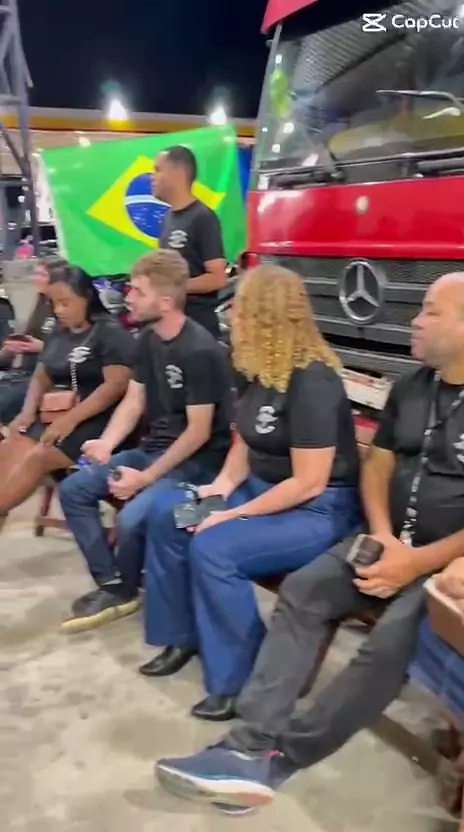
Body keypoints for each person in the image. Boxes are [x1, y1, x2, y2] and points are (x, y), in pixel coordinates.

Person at [155, 271, 464, 813]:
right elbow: (379, 464)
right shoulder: (413, 387)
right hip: (387, 539)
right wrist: (382, 535)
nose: (414, 321)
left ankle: (281, 761)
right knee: (303, 590)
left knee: (388, 643)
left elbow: (315, 480)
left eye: (430, 312)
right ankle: (247, 745)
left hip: (447, 565)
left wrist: (416, 563)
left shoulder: (312, 378)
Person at [139, 264, 361, 722]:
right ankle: (182, 636)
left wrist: (232, 516)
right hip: (262, 490)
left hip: (316, 510)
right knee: (169, 517)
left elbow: (309, 482)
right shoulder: (257, 369)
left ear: (266, 316)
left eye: (239, 310)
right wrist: (219, 489)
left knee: (215, 547)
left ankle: (241, 678)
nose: (231, 318)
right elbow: (245, 441)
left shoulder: (314, 380)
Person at [59, 249, 232, 633]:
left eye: (138, 291)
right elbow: (134, 400)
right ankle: (115, 584)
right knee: (74, 489)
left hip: (198, 464)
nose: (128, 298)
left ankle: (126, 588)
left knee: (134, 517)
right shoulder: (148, 339)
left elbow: (199, 432)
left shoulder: (200, 350)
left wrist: (147, 478)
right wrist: (107, 443)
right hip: (154, 451)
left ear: (165, 302)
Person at [0, 264, 134, 529]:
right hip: (57, 412)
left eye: (65, 302)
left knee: (38, 456)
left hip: (97, 419)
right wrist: (27, 412)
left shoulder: (110, 332)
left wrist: (70, 420)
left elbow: (115, 386)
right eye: (54, 303)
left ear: (86, 296)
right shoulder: (58, 332)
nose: (59, 310)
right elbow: (41, 375)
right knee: (11, 444)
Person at [153, 145, 227, 338]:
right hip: (173, 325)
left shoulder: (203, 217)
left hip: (198, 328)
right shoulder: (168, 218)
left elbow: (218, 278)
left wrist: (174, 288)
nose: (152, 177)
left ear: (178, 173)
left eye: (158, 170)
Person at [0, 256, 65, 425]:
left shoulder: (65, 310)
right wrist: (11, 349)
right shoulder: (41, 304)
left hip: (39, 379)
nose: (36, 278)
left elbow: (73, 350)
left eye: (42, 274)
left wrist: (41, 347)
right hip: (18, 373)